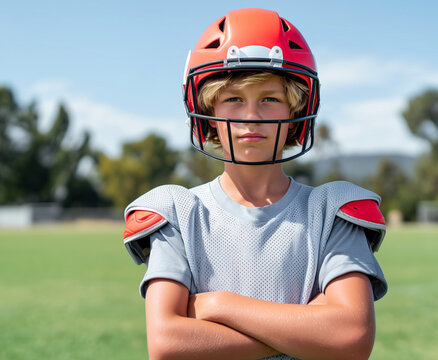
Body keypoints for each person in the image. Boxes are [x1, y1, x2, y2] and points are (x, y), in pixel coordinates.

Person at [123, 8, 387, 360]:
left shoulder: (333, 212)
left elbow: (351, 339)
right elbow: (167, 345)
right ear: (207, 112)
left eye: (270, 99)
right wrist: (311, 328)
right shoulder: (177, 214)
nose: (251, 116)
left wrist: (218, 305)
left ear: (295, 112)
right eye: (233, 99)